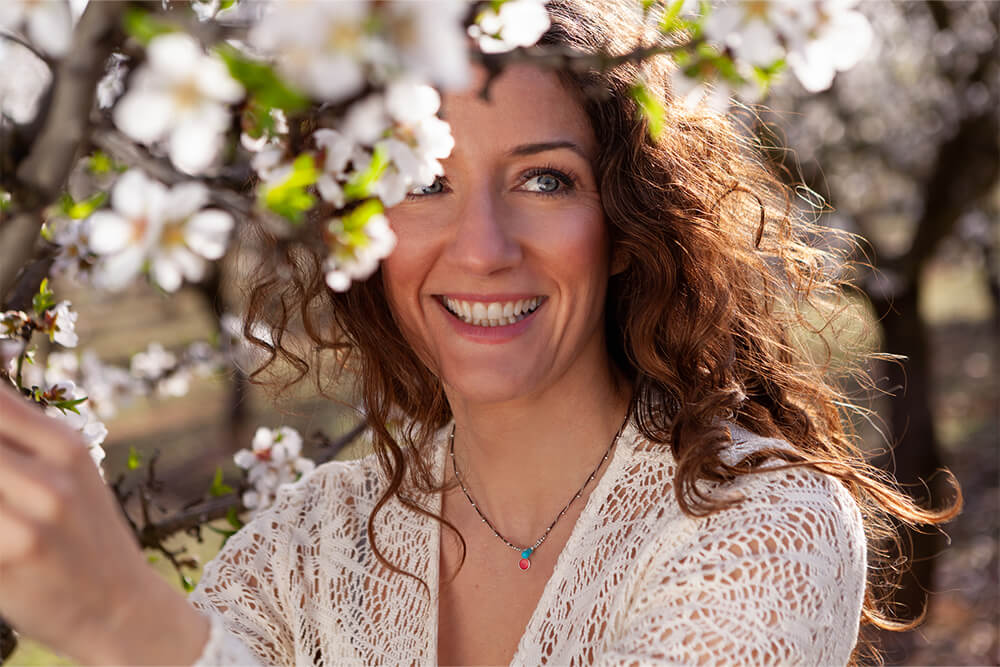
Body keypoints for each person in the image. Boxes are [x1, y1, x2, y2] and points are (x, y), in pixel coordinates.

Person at [0, 1, 957, 665]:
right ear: (360, 232)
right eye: (424, 181)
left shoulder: (764, 526)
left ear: (625, 224)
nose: (484, 248)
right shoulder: (301, 549)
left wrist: (128, 622)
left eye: (544, 180)